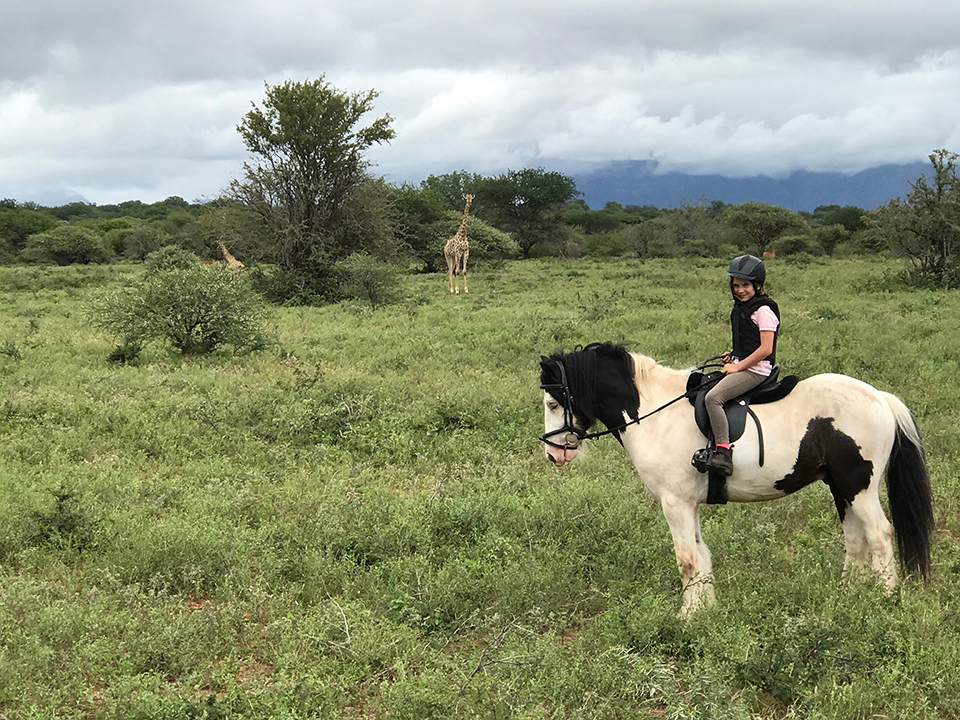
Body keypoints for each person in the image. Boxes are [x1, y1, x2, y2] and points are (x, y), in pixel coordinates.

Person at [703, 254, 780, 476]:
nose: (740, 290)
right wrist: (734, 356)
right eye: (736, 285)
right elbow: (749, 342)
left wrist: (738, 367)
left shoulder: (763, 311)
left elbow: (766, 349)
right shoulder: (741, 308)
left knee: (713, 398)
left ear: (757, 285)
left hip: (756, 371)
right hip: (744, 364)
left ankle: (724, 453)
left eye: (745, 285)